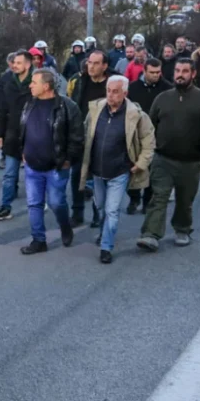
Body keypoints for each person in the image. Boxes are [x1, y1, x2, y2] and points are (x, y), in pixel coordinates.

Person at [136, 58, 200, 251]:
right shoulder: (163, 98)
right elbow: (150, 128)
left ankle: (182, 228)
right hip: (163, 158)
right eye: (177, 71)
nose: (180, 75)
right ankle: (151, 234)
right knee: (159, 196)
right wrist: (146, 153)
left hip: (191, 161)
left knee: (184, 199)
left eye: (185, 71)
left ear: (193, 74)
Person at [79, 75, 155, 263]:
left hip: (120, 172)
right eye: (108, 91)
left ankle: (106, 246)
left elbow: (149, 141)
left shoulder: (137, 115)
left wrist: (141, 163)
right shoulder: (95, 110)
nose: (111, 95)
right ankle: (103, 232)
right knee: (101, 207)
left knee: (112, 211)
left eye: (115, 91)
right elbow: (85, 133)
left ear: (125, 93)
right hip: (97, 171)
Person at [18, 68, 84, 254]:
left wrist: (68, 159)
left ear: (46, 86)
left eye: (34, 82)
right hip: (32, 165)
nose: (30, 85)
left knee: (56, 202)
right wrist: (23, 150)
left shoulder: (67, 106)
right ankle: (39, 240)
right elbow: (23, 128)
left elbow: (77, 137)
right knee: (34, 204)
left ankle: (65, 226)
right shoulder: (29, 104)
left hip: (56, 166)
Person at [69, 49, 110, 227]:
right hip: (81, 135)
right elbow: (73, 105)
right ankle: (77, 213)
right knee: (77, 175)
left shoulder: (110, 84)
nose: (90, 66)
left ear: (104, 66)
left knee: (98, 178)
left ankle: (97, 213)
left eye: (95, 63)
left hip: (102, 136)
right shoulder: (80, 81)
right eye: (89, 63)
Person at [126, 58, 173, 214]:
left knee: (153, 169)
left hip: (156, 134)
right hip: (134, 133)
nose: (155, 75)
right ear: (144, 71)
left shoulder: (167, 89)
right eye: (152, 72)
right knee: (133, 167)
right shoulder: (133, 88)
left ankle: (147, 200)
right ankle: (133, 198)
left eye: (158, 72)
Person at [0, 50, 35, 221]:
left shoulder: (36, 81)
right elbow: (3, 109)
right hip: (12, 134)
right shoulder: (8, 82)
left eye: (18, 63)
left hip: (33, 135)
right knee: (9, 174)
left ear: (27, 64)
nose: (14, 66)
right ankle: (5, 206)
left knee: (33, 174)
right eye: (14, 63)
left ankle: (37, 203)